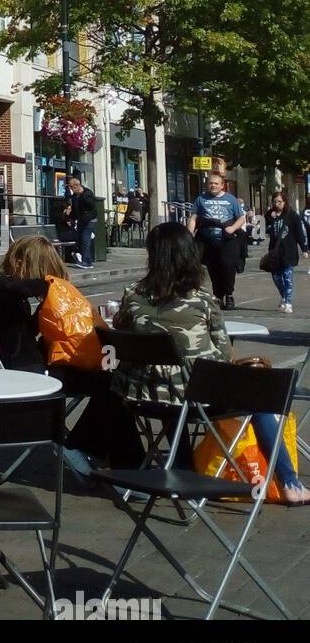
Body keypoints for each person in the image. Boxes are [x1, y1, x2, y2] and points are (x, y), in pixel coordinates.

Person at [112, 222, 308, 504]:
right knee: (260, 397)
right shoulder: (202, 299)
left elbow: (121, 328)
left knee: (172, 387)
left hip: (145, 398)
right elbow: (223, 353)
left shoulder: (132, 295)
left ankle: (182, 469)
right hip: (198, 401)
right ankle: (289, 482)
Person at [0, 233, 142, 476]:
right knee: (112, 385)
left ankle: (120, 460)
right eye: (40, 270)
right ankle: (92, 451)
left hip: (31, 363)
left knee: (112, 381)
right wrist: (53, 285)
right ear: (21, 262)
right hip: (28, 372)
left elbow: (22, 330)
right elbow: (16, 289)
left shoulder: (3, 292)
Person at [188, 170, 245, 309]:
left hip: (227, 239)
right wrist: (188, 235)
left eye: (216, 183)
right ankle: (218, 296)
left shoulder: (231, 199)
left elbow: (242, 218)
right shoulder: (201, 199)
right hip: (208, 240)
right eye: (211, 183)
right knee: (213, 268)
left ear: (222, 185)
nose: (213, 185)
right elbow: (193, 218)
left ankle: (229, 294)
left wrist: (232, 228)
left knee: (227, 266)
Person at [264, 191, 307, 315]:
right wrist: (270, 219)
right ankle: (283, 296)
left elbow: (299, 232)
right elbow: (261, 230)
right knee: (276, 277)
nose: (277, 204)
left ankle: (288, 302)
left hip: (289, 251)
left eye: (279, 202)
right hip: (274, 252)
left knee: (287, 278)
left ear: (285, 202)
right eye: (274, 202)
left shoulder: (292, 215)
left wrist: (304, 248)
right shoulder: (269, 214)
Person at [58, 174, 98, 271]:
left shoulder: (87, 193)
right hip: (81, 221)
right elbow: (75, 210)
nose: (71, 189)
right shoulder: (75, 196)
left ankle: (85, 261)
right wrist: (69, 216)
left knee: (85, 239)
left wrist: (82, 195)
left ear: (76, 186)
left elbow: (92, 206)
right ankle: (88, 261)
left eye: (72, 187)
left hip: (89, 220)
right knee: (82, 239)